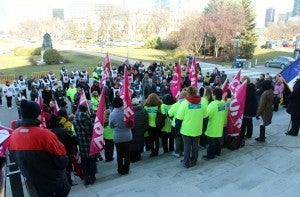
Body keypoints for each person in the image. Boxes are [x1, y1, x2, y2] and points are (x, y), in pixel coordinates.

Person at [8, 100, 71, 196]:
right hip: (53, 184)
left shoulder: (14, 135)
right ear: (37, 114)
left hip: (33, 183)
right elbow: (62, 161)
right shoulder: (45, 134)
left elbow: (15, 159)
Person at [175, 86, 206, 168]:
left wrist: (177, 130)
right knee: (195, 145)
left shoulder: (184, 103)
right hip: (197, 128)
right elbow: (205, 116)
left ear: (188, 93)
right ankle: (194, 160)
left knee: (187, 145)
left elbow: (178, 118)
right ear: (196, 92)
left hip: (186, 129)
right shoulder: (201, 102)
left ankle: (186, 162)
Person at [49, 114, 78, 186]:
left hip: (55, 154)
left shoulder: (49, 132)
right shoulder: (62, 131)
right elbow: (70, 140)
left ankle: (64, 182)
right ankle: (69, 182)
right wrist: (74, 137)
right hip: (66, 152)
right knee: (68, 167)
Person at [73, 105, 97, 186]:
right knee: (92, 161)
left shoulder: (75, 120)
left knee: (84, 162)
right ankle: (92, 177)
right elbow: (92, 130)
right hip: (90, 142)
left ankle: (86, 178)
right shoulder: (88, 119)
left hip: (81, 143)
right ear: (86, 110)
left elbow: (76, 131)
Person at [109, 97, 133, 175]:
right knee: (127, 154)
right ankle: (126, 169)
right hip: (127, 136)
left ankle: (120, 170)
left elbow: (111, 126)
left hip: (117, 137)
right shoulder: (126, 112)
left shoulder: (112, 114)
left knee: (119, 154)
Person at [203, 87, 226, 160]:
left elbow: (206, 116)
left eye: (212, 94)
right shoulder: (223, 103)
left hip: (212, 126)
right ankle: (218, 152)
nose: (212, 95)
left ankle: (210, 155)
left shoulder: (212, 104)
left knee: (211, 143)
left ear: (215, 95)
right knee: (217, 141)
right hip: (219, 125)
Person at [168, 90, 188, 158]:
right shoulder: (188, 104)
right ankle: (182, 151)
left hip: (176, 124)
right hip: (185, 124)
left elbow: (170, 113)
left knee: (177, 139)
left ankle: (177, 152)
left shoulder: (175, 105)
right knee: (183, 138)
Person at [239, 76, 258, 144]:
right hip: (252, 109)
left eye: (241, 81)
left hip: (247, 109)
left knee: (243, 124)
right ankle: (249, 134)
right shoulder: (252, 87)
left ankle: (241, 138)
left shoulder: (246, 88)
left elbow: (244, 99)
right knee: (249, 122)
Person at [130, 98, 148, 162]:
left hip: (132, 131)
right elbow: (146, 121)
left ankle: (132, 158)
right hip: (141, 130)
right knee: (139, 143)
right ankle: (138, 157)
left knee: (132, 144)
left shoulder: (129, 111)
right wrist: (144, 129)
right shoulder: (143, 110)